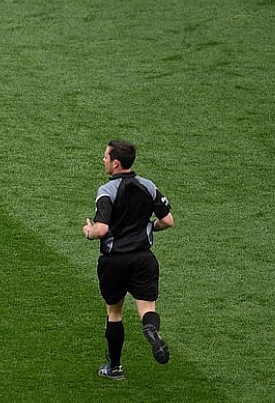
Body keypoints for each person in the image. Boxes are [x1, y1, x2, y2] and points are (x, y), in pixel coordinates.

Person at [82, 140, 174, 380]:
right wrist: (151, 226)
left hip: (114, 262)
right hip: (144, 259)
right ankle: (151, 329)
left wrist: (88, 232)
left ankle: (114, 368)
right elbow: (168, 221)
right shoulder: (148, 186)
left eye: (105, 157)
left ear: (116, 163)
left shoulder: (107, 191)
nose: (103, 161)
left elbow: (101, 229)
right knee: (147, 309)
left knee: (114, 314)